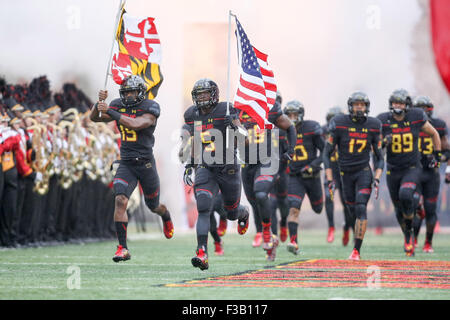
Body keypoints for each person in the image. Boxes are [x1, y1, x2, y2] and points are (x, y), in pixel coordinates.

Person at [90, 75, 174, 262]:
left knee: (153, 205)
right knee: (120, 200)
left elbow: (136, 124)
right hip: (126, 162)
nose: (128, 96)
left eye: (132, 92)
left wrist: (111, 112)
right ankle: (122, 248)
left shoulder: (150, 107)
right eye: (126, 92)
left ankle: (165, 214)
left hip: (145, 164)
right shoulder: (117, 104)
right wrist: (99, 104)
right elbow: (94, 118)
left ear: (140, 92)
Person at [183, 78, 251, 270]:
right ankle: (202, 252)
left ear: (214, 94)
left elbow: (245, 140)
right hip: (206, 166)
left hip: (228, 167)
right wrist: (191, 164)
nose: (202, 98)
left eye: (205, 93)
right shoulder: (192, 114)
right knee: (203, 206)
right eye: (199, 94)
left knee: (231, 214)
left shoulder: (226, 110)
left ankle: (244, 213)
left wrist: (235, 126)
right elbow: (196, 139)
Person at [377, 89, 441, 257]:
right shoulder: (383, 120)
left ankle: (418, 238)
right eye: (395, 102)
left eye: (401, 103)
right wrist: (384, 142)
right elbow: (376, 147)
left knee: (406, 194)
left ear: (407, 105)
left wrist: (437, 155)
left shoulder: (416, 116)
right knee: (399, 209)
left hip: (412, 167)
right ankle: (408, 236)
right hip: (393, 169)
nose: (397, 106)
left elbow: (434, 133)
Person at [324, 92, 384, 260]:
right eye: (356, 104)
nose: (359, 107)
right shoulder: (339, 123)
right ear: (351, 106)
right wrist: (329, 178)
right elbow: (326, 153)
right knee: (351, 209)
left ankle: (356, 250)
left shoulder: (374, 125)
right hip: (345, 174)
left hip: (364, 172)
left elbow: (379, 156)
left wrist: (377, 177)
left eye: (362, 105)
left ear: (366, 107)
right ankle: (348, 228)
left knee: (360, 207)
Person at [239, 92, 296, 261]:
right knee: (255, 202)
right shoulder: (237, 110)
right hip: (247, 163)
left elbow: (290, 127)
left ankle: (265, 232)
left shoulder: (270, 108)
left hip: (268, 161)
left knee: (262, 194)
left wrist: (290, 151)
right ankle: (271, 238)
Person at [284, 100, 324, 255]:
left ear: (301, 115)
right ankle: (294, 242)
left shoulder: (311, 128)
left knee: (318, 208)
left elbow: (325, 152)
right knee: (294, 208)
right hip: (295, 177)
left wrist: (313, 166)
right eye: (289, 115)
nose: (292, 118)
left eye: (295, 114)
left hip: (312, 176)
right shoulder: (283, 130)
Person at [412, 95, 450, 252]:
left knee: (430, 208)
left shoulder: (438, 125)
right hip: (414, 171)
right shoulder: (410, 124)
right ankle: (412, 240)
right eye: (419, 109)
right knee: (413, 205)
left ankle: (428, 242)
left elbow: (447, 150)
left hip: (431, 172)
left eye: (424, 109)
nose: (422, 112)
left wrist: (440, 160)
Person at [321, 106, 354, 245]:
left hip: (344, 170)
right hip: (330, 169)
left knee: (347, 202)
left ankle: (347, 227)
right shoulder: (322, 131)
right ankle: (331, 227)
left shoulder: (348, 129)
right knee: (329, 197)